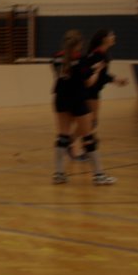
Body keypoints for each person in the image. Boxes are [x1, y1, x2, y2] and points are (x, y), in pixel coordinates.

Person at [51, 30, 113, 186]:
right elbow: (89, 82)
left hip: (60, 98)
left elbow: (61, 76)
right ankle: (99, 175)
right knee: (88, 137)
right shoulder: (81, 59)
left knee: (63, 136)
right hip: (77, 98)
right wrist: (96, 70)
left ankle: (59, 174)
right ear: (79, 44)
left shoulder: (55, 57)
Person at [81, 29, 128, 158]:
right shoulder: (97, 55)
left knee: (91, 121)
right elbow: (95, 75)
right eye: (111, 35)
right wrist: (115, 80)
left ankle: (83, 145)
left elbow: (102, 75)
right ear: (104, 39)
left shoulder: (102, 54)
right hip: (89, 90)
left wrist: (116, 80)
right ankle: (76, 145)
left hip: (93, 90)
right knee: (89, 121)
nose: (114, 37)